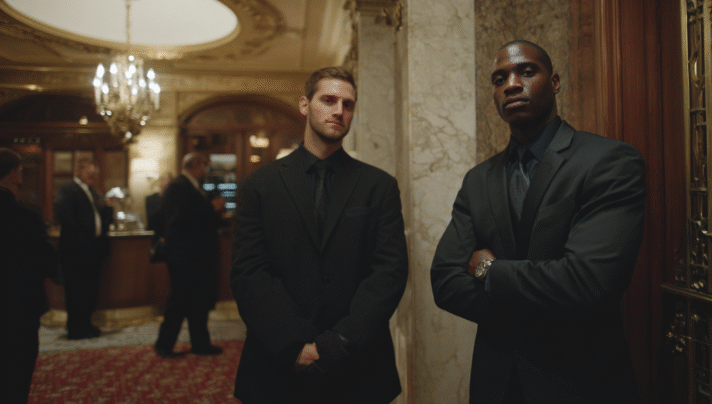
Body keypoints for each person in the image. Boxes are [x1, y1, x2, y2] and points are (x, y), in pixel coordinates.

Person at [430, 40, 646, 403]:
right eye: (500, 79)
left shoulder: (608, 161)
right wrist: (546, 298)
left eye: (526, 71)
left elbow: (589, 283)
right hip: (497, 383)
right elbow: (445, 282)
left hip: (580, 382)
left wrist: (489, 270)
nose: (511, 84)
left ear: (556, 82)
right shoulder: (478, 179)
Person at [230, 67, 409, 404]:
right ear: (304, 105)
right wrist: (296, 344)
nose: (339, 110)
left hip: (359, 364)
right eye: (328, 100)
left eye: (348, 104)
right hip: (278, 362)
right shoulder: (260, 185)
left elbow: (389, 272)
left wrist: (338, 342)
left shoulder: (379, 186)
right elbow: (249, 273)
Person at [153, 152, 226, 358]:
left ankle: (200, 343)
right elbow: (182, 219)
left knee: (198, 301)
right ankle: (164, 344)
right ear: (195, 164)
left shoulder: (192, 186)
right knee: (180, 300)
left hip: (196, 255)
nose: (207, 170)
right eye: (205, 165)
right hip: (185, 256)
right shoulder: (179, 186)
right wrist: (212, 208)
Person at [0, 148, 57, 403]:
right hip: (18, 308)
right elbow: (46, 261)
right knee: (16, 378)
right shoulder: (23, 215)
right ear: (13, 174)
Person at [54, 157, 112, 340]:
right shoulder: (69, 189)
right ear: (79, 170)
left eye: (94, 171)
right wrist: (84, 243)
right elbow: (66, 218)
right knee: (76, 291)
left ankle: (86, 324)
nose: (92, 174)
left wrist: (107, 207)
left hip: (92, 250)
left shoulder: (92, 192)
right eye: (89, 171)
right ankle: (76, 328)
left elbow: (102, 220)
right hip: (76, 252)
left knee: (89, 291)